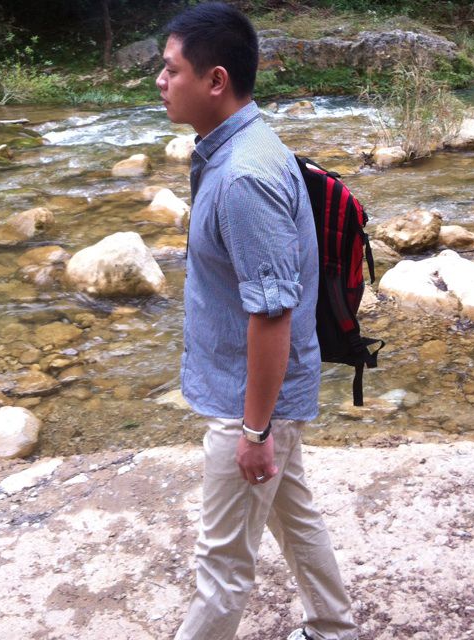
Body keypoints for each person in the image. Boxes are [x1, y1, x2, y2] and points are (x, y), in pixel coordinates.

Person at [156, 4, 358, 639]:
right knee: (295, 516)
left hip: (249, 401)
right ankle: (333, 629)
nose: (161, 82)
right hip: (264, 397)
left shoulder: (244, 174)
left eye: (171, 70)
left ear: (215, 80)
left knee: (220, 564)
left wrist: (254, 429)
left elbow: (273, 314)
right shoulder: (238, 149)